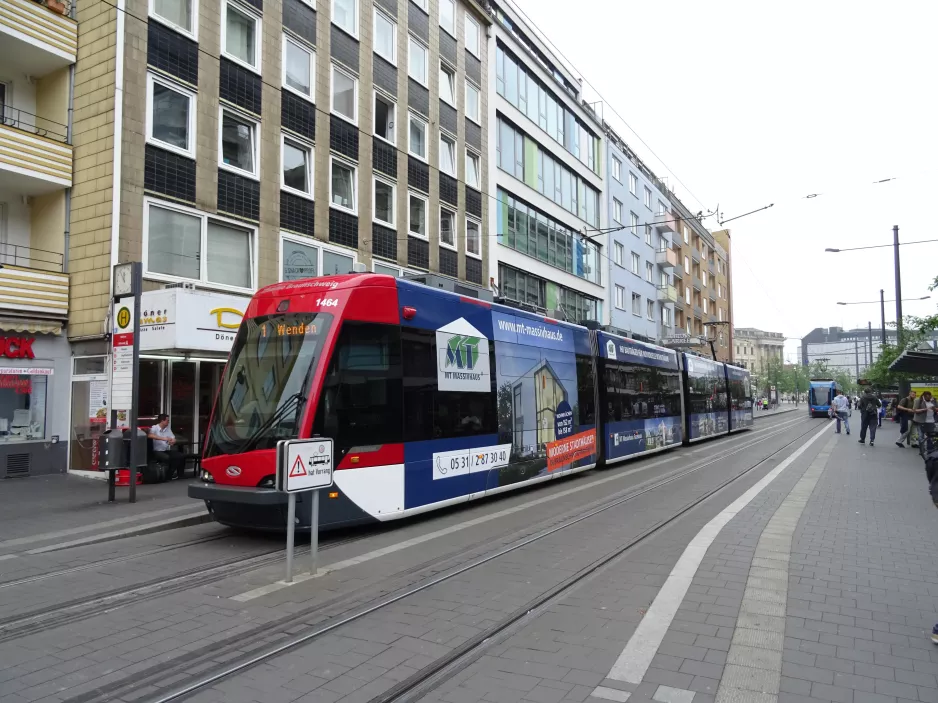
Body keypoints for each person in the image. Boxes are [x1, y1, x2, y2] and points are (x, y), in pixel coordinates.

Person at [147, 413, 185, 479]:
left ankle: (179, 475)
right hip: (157, 451)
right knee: (167, 458)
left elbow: (173, 438)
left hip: (165, 450)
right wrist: (163, 438)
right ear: (162, 421)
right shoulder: (154, 428)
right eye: (167, 420)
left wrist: (173, 441)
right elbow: (150, 435)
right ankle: (166, 475)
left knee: (181, 456)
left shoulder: (167, 429)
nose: (168, 422)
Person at [913, 391, 937, 457]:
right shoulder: (918, 400)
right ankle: (922, 450)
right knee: (921, 436)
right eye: (927, 397)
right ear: (924, 396)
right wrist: (925, 409)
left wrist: (934, 409)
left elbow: (936, 409)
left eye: (930, 397)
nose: (929, 398)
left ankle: (930, 450)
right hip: (921, 421)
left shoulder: (933, 400)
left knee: (931, 435)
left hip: (931, 420)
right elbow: (915, 410)